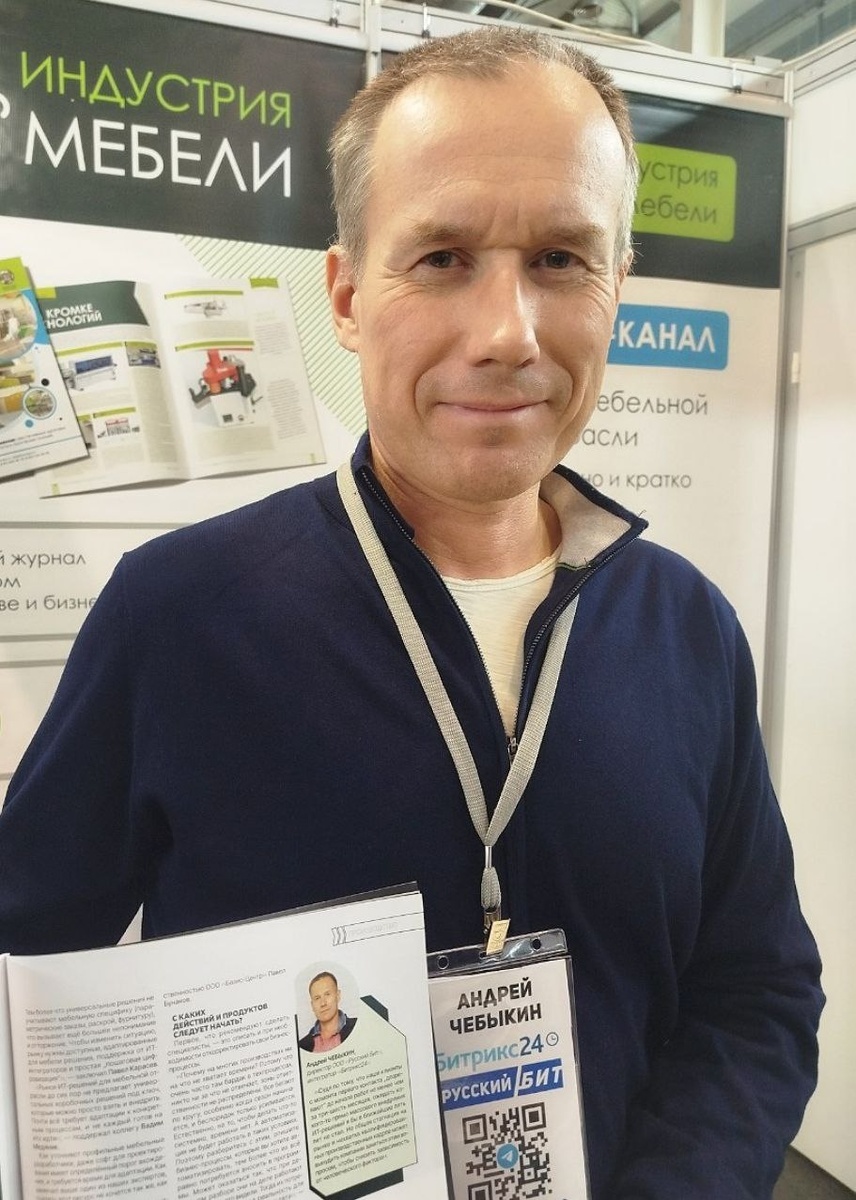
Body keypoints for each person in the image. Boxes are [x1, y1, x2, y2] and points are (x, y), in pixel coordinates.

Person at [0, 26, 822, 1200]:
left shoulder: (685, 631)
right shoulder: (179, 617)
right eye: (441, 258)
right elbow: (24, 968)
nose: (507, 334)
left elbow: (754, 989)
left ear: (617, 288)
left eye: (560, 258)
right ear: (345, 296)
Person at [298, 971, 357, 1053]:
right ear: (312, 1005)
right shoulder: (302, 1046)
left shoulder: (358, 1026)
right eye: (317, 998)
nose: (323, 1003)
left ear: (338, 996)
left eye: (327, 994)